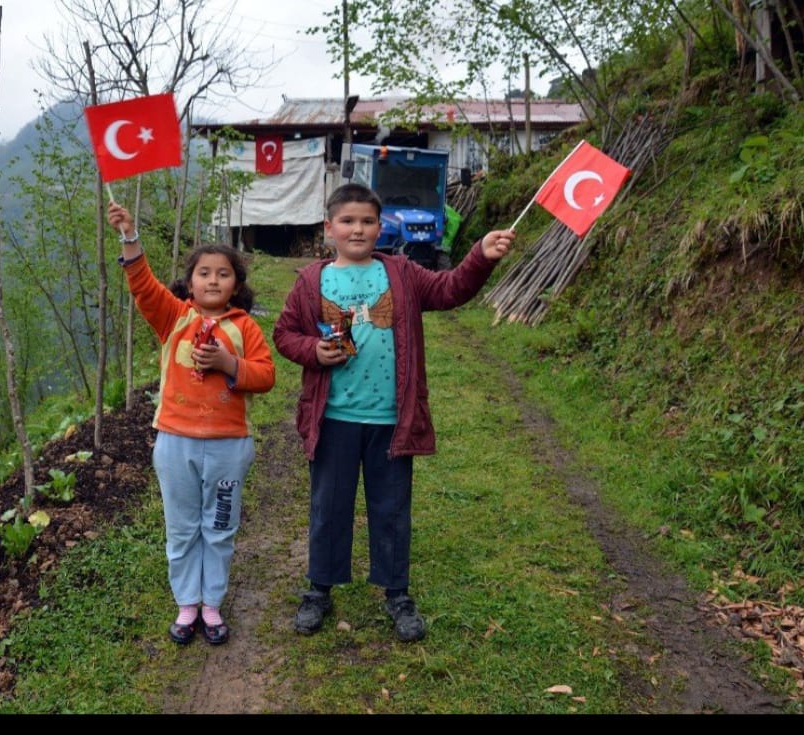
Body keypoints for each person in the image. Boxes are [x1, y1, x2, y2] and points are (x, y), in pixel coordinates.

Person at [272, 183, 515, 642]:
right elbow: (284, 334)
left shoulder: (402, 273)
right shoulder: (311, 280)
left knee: (391, 510)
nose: (357, 229)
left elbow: (449, 289)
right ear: (329, 229)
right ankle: (319, 589)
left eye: (366, 221)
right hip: (334, 418)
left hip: (391, 420)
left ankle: (396, 593)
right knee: (329, 507)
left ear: (380, 228)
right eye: (347, 221)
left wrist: (480, 255)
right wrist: (313, 351)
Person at [108, 202, 276, 646]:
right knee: (182, 527)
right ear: (190, 281)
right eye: (204, 273)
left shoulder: (245, 328)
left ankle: (212, 604)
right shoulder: (174, 318)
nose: (213, 280)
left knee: (219, 527)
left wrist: (226, 362)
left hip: (228, 446)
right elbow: (143, 286)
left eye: (223, 273)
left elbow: (266, 377)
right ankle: (187, 604)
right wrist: (130, 237)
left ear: (236, 283)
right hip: (175, 443)